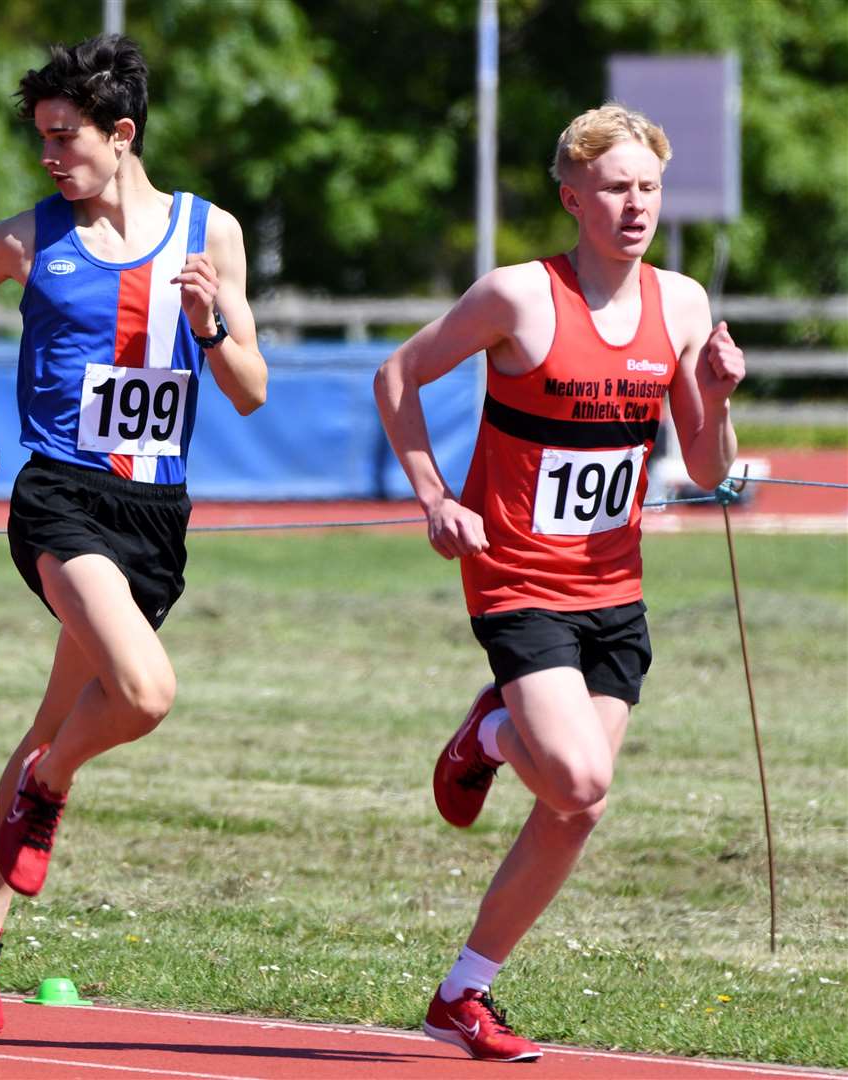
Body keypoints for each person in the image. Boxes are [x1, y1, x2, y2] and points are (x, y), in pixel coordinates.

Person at [374, 103, 745, 1062]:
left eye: (650, 188)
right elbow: (396, 377)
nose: (635, 206)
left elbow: (706, 469)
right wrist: (431, 497)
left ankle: (463, 993)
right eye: (616, 188)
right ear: (572, 198)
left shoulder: (684, 304)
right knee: (580, 777)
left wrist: (723, 395)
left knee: (575, 808)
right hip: (516, 579)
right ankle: (494, 727)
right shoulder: (518, 298)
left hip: (612, 590)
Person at [0, 34, 267, 1033]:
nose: (48, 155)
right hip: (60, 500)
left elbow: (248, 392)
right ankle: (50, 787)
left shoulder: (211, 236)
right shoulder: (30, 238)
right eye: (40, 137)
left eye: (63, 136)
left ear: (121, 135)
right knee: (144, 693)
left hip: (156, 514)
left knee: (50, 720)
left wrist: (207, 326)